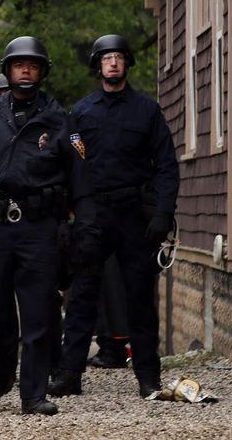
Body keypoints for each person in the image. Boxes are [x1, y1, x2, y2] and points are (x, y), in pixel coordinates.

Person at [0, 36, 98, 416]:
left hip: (39, 228)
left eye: (32, 66)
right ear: (8, 71)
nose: (26, 71)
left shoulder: (62, 121)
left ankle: (33, 393)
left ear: (42, 71)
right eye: (19, 66)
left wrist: (85, 232)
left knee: (38, 313)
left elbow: (81, 185)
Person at [49, 34, 179, 398]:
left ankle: (147, 376)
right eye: (106, 58)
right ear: (98, 65)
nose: (113, 63)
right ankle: (69, 374)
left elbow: (166, 165)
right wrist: (70, 213)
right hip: (93, 214)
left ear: (127, 63)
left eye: (119, 56)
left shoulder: (146, 110)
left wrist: (163, 213)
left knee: (140, 298)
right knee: (83, 297)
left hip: (136, 217)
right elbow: (68, 165)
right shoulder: (82, 111)